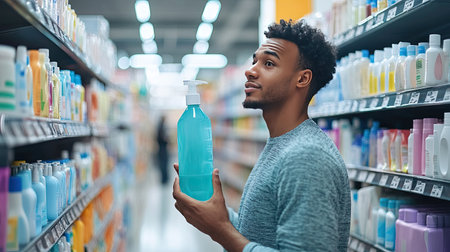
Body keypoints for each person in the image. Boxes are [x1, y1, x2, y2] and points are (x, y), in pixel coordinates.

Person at [172, 19, 351, 252]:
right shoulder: (281, 144)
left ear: (302, 79)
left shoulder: (306, 156)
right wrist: (216, 213)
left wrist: (221, 231)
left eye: (268, 63)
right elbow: (258, 232)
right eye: (254, 60)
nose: (250, 69)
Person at [156, 115, 169, 184]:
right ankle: (164, 179)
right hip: (162, 148)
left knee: (163, 164)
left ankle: (164, 179)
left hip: (162, 148)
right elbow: (162, 138)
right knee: (164, 164)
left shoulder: (160, 127)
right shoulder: (162, 127)